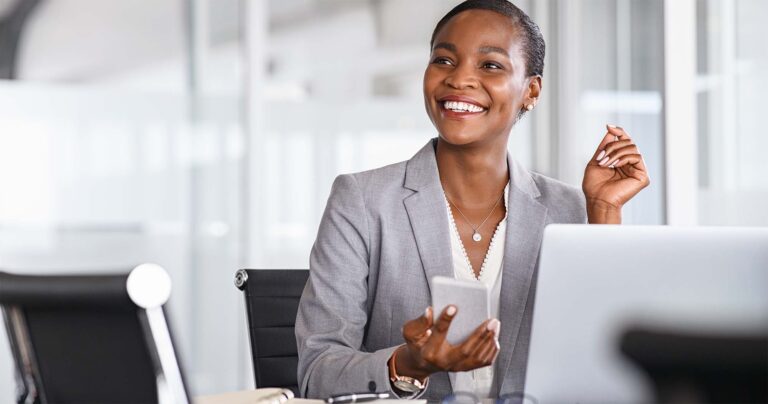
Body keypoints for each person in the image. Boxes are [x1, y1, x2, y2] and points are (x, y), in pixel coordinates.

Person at [295, 0, 650, 400]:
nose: (459, 79)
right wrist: (409, 364)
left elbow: (608, 361)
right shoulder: (362, 201)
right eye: (444, 61)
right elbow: (317, 371)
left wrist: (603, 212)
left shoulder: (570, 210)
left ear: (531, 90)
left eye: (490, 65)